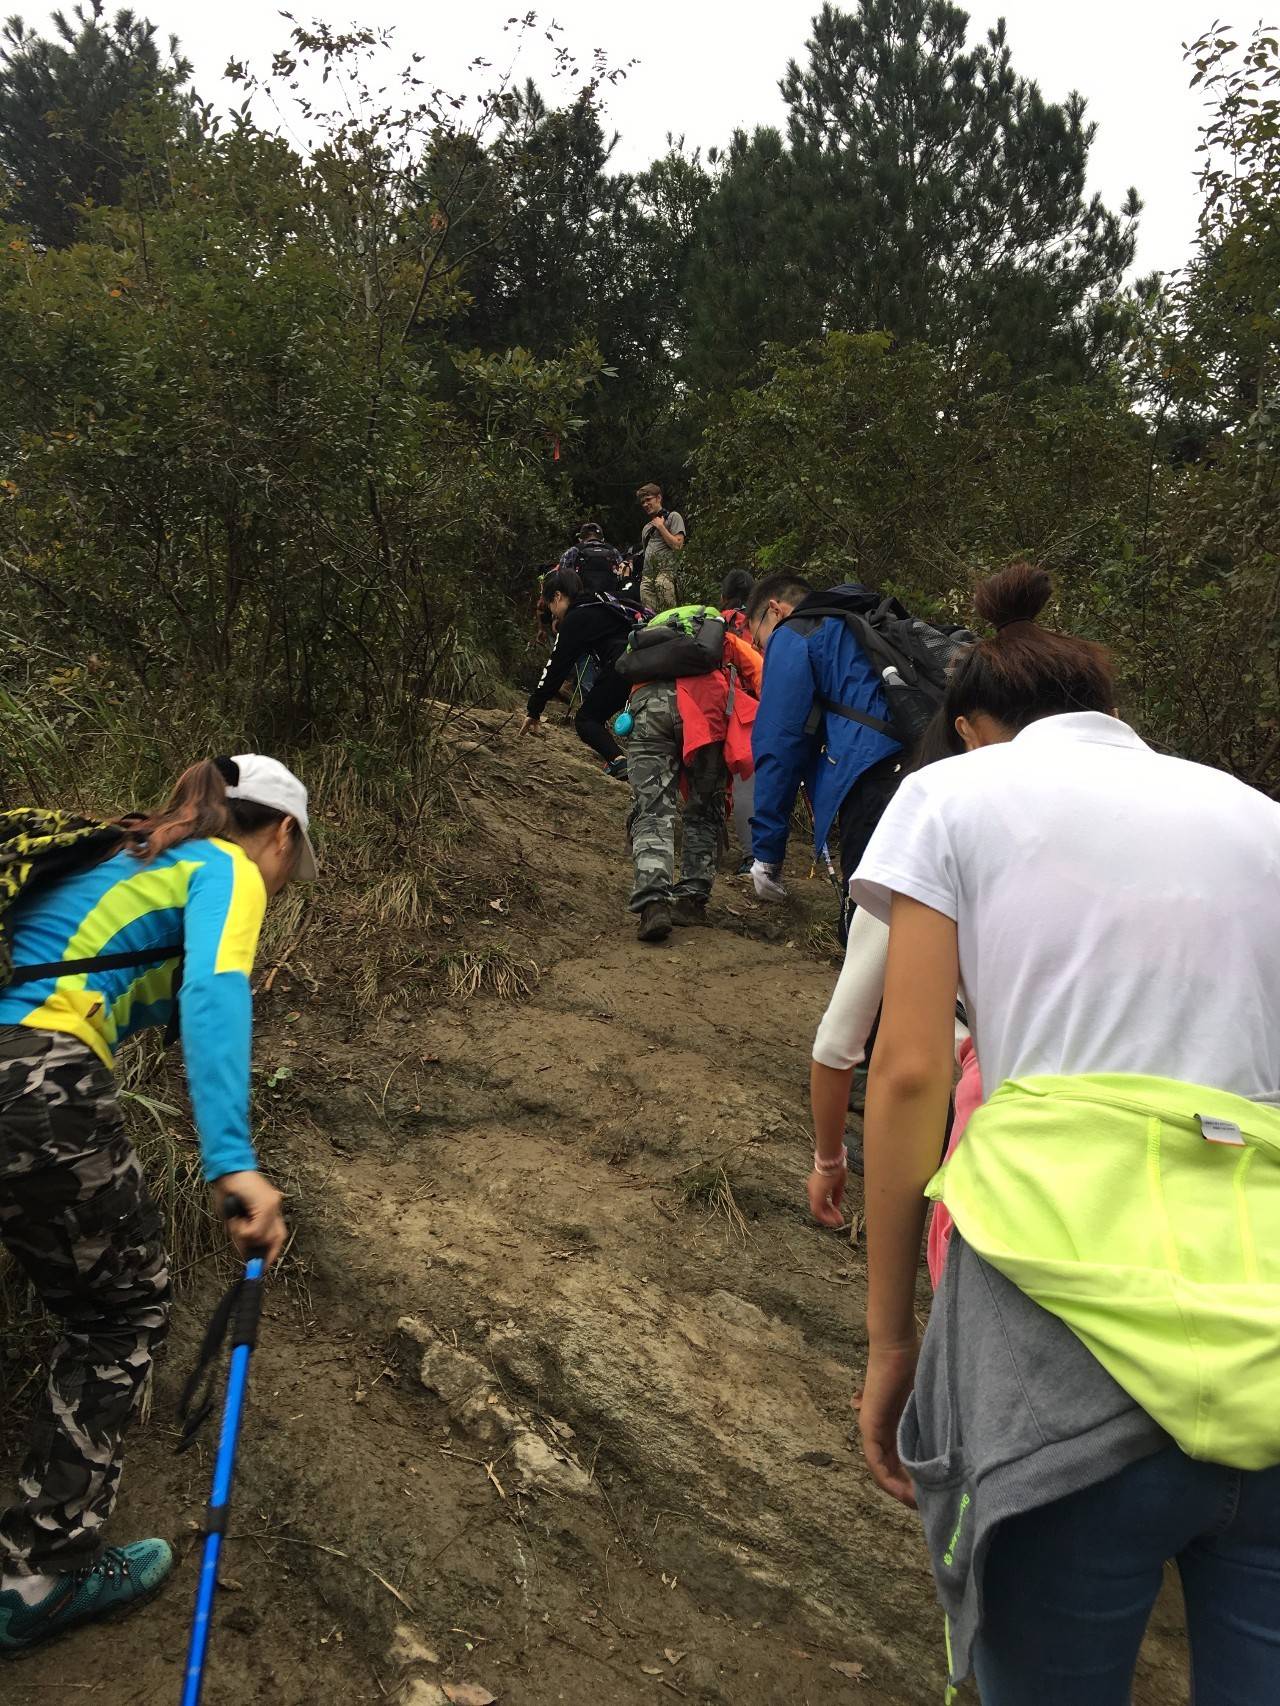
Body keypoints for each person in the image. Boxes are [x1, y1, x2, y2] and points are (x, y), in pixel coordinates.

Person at [851, 562, 1280, 1703]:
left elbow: (907, 1073)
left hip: (1058, 1364)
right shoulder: (1258, 818)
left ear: (973, 721)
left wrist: (890, 1341)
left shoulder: (949, 797)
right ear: (1111, 709)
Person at [0, 755, 307, 1651]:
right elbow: (215, 992)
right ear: (281, 835)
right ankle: (43, 1572)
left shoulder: (129, 853)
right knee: (121, 1308)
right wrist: (234, 1164)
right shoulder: (226, 867)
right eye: (293, 867)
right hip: (36, 1078)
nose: (283, 885)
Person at [744, 572, 902, 912]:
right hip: (927, 764)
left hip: (871, 776)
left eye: (758, 640)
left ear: (775, 610)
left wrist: (767, 854)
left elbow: (778, 744)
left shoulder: (792, 633)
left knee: (869, 915)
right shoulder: (858, 623)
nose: (762, 651)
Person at [627, 609, 762, 942]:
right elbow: (759, 671)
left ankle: (654, 903)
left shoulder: (649, 641)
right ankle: (691, 899)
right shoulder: (719, 636)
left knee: (652, 809)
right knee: (704, 806)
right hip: (706, 708)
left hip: (648, 706)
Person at [522, 567, 635, 781]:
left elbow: (556, 667)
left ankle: (618, 761)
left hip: (624, 665)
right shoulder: (601, 601)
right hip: (647, 659)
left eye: (549, 605)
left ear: (557, 596)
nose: (552, 613)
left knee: (586, 719)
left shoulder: (576, 617)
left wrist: (534, 709)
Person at [720, 569, 756, 872]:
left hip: (716, 707)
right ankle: (752, 855)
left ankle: (711, 842)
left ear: (724, 595)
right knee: (747, 782)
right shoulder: (759, 623)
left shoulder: (715, 622)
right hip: (752, 712)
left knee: (713, 780)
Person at [636, 482, 686, 610]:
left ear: (658, 498)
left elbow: (678, 546)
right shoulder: (646, 528)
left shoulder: (673, 517)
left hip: (666, 573)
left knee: (669, 614)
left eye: (648, 499)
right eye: (643, 502)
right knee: (650, 616)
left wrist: (661, 527)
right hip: (647, 577)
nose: (645, 504)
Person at [558, 522, 630, 598]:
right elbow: (623, 576)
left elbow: (562, 578)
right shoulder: (613, 551)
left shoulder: (573, 551)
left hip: (581, 600)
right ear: (602, 539)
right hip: (610, 599)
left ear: (580, 539)